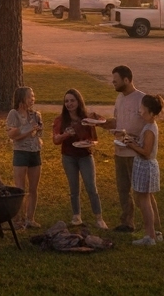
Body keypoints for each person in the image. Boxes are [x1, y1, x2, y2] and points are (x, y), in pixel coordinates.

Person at [88, 65, 145, 233]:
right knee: (123, 189)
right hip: (119, 150)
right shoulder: (119, 99)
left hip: (135, 151)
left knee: (140, 191)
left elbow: (149, 125)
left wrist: (133, 138)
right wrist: (100, 122)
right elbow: (117, 122)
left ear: (126, 80)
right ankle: (127, 223)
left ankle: (150, 225)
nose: (113, 83)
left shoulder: (141, 99)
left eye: (116, 81)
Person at [51, 88, 106, 229]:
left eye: (72, 100)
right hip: (68, 157)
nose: (69, 104)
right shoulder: (61, 120)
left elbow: (94, 137)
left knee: (91, 187)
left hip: (85, 156)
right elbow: (56, 140)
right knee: (74, 188)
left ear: (78, 101)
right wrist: (66, 135)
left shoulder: (86, 118)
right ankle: (76, 216)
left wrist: (96, 120)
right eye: (66, 101)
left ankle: (99, 218)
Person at [121, 94, 164, 246]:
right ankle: (155, 232)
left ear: (151, 113)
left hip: (145, 166)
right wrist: (134, 140)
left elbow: (146, 152)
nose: (140, 111)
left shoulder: (150, 129)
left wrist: (130, 145)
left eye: (142, 108)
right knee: (146, 199)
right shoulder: (148, 126)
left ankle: (150, 236)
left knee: (144, 201)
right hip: (146, 166)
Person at [5, 86, 42, 229]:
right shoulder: (13, 114)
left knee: (33, 188)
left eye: (33, 96)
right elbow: (11, 135)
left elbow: (38, 133)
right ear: (21, 98)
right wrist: (27, 129)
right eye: (29, 96)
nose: (32, 99)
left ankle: (30, 218)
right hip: (20, 153)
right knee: (20, 188)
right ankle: (18, 219)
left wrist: (35, 130)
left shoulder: (36, 115)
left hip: (35, 152)